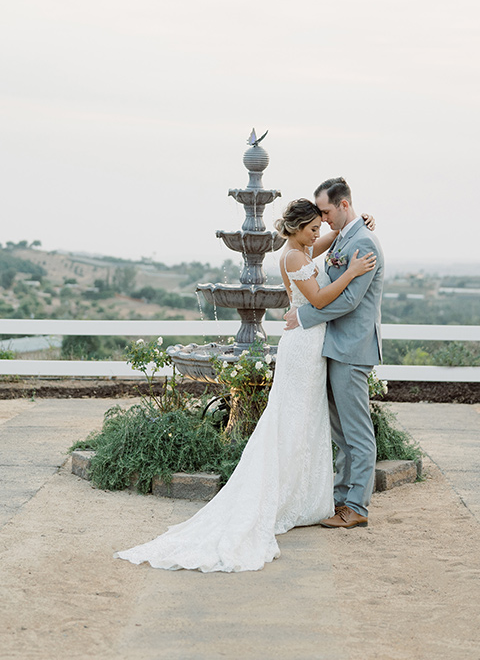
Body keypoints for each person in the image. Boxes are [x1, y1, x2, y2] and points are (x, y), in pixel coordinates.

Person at [113, 199, 376, 573]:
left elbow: (333, 237)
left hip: (311, 344)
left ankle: (302, 498)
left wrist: (358, 222)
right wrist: (350, 273)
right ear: (299, 228)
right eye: (313, 228)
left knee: (307, 422)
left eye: (320, 227)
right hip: (302, 347)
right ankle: (282, 497)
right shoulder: (294, 258)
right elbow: (317, 298)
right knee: (291, 421)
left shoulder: (304, 248)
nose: (319, 232)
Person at [284, 179, 384, 529]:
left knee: (357, 433)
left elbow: (350, 300)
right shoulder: (344, 237)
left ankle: (356, 507)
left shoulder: (364, 242)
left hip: (351, 349)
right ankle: (341, 500)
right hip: (330, 347)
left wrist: (304, 316)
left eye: (326, 211)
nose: (322, 220)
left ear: (343, 205)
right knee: (342, 434)